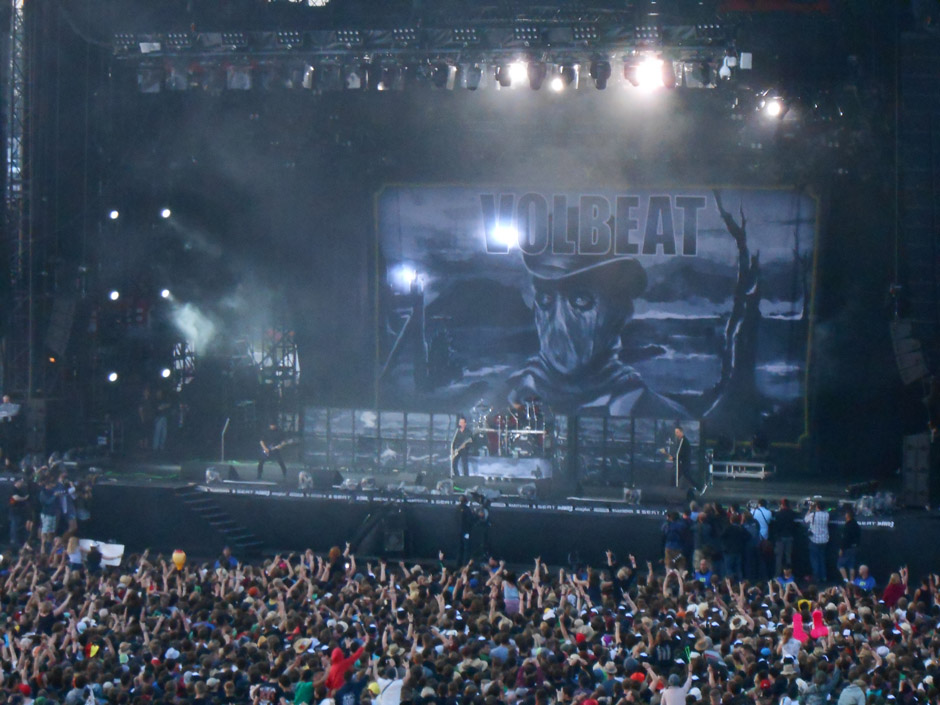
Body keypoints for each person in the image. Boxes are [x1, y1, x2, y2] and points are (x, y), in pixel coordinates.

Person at [506, 250, 688, 418]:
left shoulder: (661, 413)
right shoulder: (510, 397)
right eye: (545, 298)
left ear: (616, 313)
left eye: (580, 300)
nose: (560, 322)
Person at [804, 501, 830, 583]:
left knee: (814, 559)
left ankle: (816, 577)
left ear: (817, 507)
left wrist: (809, 510)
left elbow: (805, 520)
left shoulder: (813, 514)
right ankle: (824, 576)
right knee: (822, 558)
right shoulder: (827, 515)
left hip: (814, 540)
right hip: (824, 540)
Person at [773, 498, 799, 576]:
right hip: (789, 537)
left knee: (779, 558)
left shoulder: (778, 514)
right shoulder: (792, 513)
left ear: (781, 505)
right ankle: (789, 574)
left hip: (780, 538)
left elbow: (776, 526)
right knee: (788, 557)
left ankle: (777, 574)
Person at [668, 425, 696, 492]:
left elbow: (680, 454)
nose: (676, 434)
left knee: (682, 475)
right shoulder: (683, 441)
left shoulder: (683, 441)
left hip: (684, 463)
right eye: (675, 432)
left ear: (681, 432)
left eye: (677, 432)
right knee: (684, 475)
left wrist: (674, 458)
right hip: (683, 462)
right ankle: (696, 486)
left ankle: (697, 486)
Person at [838, 507, 861, 583]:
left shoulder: (847, 526)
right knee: (852, 565)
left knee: (840, 564)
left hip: (847, 548)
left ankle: (846, 580)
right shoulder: (856, 525)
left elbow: (845, 539)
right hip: (855, 547)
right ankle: (852, 581)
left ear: (847, 515)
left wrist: (841, 548)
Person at [8, 477, 29, 547]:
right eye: (20, 482)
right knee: (14, 527)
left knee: (17, 527)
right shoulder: (13, 489)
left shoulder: (19, 490)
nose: (21, 483)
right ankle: (13, 541)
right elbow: (15, 498)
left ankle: (17, 540)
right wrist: (24, 498)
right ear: (17, 482)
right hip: (14, 511)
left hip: (19, 512)